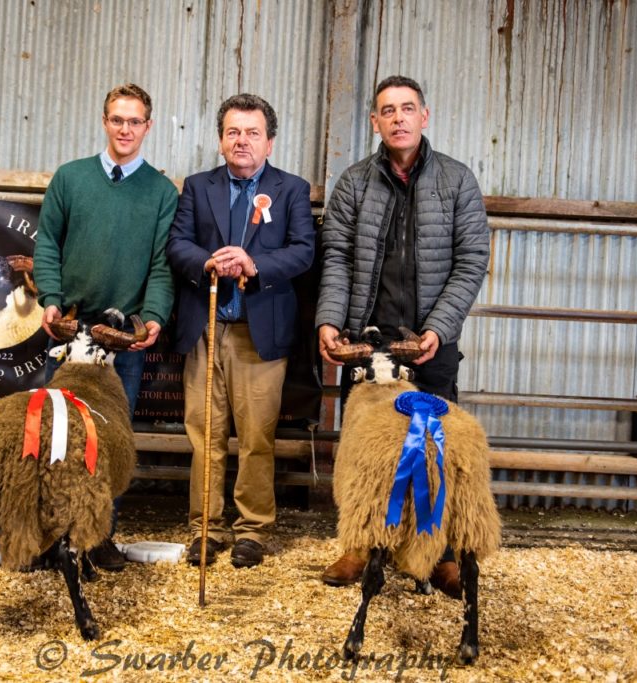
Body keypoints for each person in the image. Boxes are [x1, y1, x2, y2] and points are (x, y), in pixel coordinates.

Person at [315, 75, 490, 594]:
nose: (397, 118)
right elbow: (338, 257)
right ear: (375, 121)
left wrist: (440, 327)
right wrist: (330, 319)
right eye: (387, 110)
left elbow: (472, 260)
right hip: (368, 339)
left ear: (424, 116)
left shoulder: (457, 181)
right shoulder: (353, 183)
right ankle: (359, 543)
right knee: (363, 450)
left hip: (430, 340)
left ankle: (439, 554)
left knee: (437, 447)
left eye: (406, 108)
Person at [33, 83, 178, 572]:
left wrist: (154, 314)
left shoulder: (160, 192)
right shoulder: (71, 179)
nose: (125, 129)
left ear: (148, 127)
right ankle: (50, 536)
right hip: (70, 329)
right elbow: (47, 244)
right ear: (104, 121)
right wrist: (50, 299)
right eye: (118, 119)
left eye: (135, 121)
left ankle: (99, 536)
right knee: (58, 433)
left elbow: (162, 263)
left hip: (121, 337)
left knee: (112, 438)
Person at [167, 93, 315, 568]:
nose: (242, 141)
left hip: (260, 332)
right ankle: (205, 529)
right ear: (220, 139)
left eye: (252, 133)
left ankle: (252, 529)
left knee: (256, 437)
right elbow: (178, 244)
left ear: (269, 142)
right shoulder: (196, 186)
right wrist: (207, 261)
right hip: (206, 328)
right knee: (205, 435)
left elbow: (303, 252)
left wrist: (255, 263)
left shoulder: (291, 189)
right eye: (233, 132)